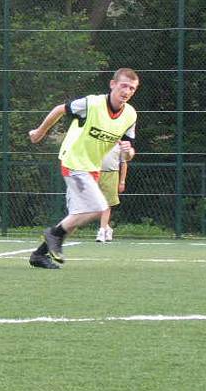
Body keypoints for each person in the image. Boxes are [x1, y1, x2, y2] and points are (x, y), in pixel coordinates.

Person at [27, 68, 139, 269]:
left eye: (132, 88)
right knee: (97, 207)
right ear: (112, 84)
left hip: (92, 166)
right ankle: (53, 234)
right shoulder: (92, 103)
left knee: (75, 218)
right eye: (124, 86)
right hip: (74, 161)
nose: (127, 91)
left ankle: (39, 255)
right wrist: (40, 133)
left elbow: (128, 153)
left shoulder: (130, 115)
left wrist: (128, 151)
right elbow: (59, 109)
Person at [96, 143, 129, 242]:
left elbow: (123, 163)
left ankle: (102, 232)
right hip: (95, 173)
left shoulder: (120, 145)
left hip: (112, 174)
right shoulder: (97, 142)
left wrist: (122, 182)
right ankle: (107, 228)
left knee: (107, 204)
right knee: (94, 206)